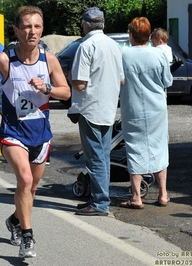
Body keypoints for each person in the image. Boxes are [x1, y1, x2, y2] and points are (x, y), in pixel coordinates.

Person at [0, 6, 70, 258]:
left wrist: (47, 87)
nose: (32, 31)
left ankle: (15, 220)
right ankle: (27, 237)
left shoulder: (48, 59)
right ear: (16, 30)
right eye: (27, 26)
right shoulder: (4, 59)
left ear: (42, 30)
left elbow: (66, 92)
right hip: (13, 132)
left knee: (31, 190)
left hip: (40, 134)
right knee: (25, 181)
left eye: (37, 26)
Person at [68, 7, 124, 216]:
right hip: (108, 107)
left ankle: (100, 202)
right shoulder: (114, 45)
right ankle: (99, 198)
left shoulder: (86, 46)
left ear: (85, 25)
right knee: (103, 156)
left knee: (95, 158)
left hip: (90, 108)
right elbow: (121, 79)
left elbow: (80, 84)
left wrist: (68, 78)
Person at [119, 17, 173, 209]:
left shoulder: (123, 54)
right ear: (149, 35)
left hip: (132, 107)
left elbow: (119, 80)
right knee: (159, 147)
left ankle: (136, 197)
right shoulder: (158, 54)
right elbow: (167, 81)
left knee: (134, 148)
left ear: (131, 35)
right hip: (157, 108)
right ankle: (163, 194)